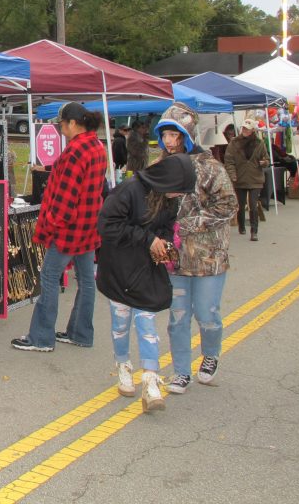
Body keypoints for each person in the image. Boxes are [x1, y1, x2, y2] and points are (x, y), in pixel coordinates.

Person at [97, 154, 196, 413]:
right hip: (118, 267)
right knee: (120, 324)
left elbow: (167, 228)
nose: (179, 195)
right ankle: (123, 367)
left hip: (145, 269)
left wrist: (164, 244)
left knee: (147, 323)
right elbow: (106, 226)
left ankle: (151, 382)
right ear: (167, 180)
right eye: (178, 189)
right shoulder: (128, 190)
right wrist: (147, 239)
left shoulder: (169, 199)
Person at [154, 103, 237, 394]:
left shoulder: (210, 167)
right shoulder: (161, 167)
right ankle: (181, 372)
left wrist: (190, 224)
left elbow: (229, 206)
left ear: (186, 134)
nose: (168, 141)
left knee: (207, 314)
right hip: (174, 260)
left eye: (174, 135)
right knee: (177, 318)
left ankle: (211, 354)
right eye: (165, 135)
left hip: (209, 258)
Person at [11, 102, 107, 352]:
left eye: (62, 124)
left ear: (73, 123)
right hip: (88, 225)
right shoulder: (97, 146)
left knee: (49, 277)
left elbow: (66, 198)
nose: (61, 129)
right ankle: (81, 333)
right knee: (86, 280)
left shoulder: (75, 151)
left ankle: (41, 338)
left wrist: (51, 226)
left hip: (69, 229)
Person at [223, 117, 269, 241]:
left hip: (255, 178)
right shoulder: (234, 143)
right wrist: (232, 174)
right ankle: (241, 225)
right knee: (240, 204)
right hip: (240, 178)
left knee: (253, 205)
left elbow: (266, 159)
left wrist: (264, 162)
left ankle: (254, 231)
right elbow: (229, 160)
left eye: (247, 129)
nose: (244, 130)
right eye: (243, 128)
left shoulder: (259, 143)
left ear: (253, 130)